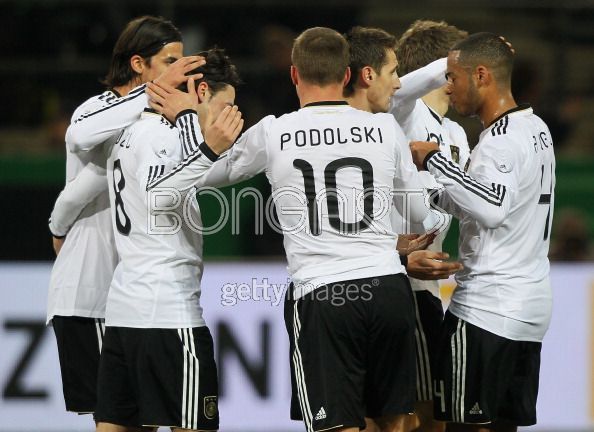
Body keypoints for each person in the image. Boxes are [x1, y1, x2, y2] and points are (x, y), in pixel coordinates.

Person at [147, 26, 430, 432]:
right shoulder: (385, 128)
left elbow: (203, 173)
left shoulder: (274, 131)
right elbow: (419, 213)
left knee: (338, 423)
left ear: (294, 74)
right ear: (346, 75)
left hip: (323, 293)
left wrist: (188, 120)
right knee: (396, 420)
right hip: (387, 287)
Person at [46, 15, 203, 418]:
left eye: (181, 61)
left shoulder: (160, 115)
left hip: (130, 294)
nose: (179, 71)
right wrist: (57, 226)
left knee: (135, 419)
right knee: (117, 418)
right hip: (92, 290)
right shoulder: (99, 109)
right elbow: (79, 147)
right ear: (138, 64)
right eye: (169, 62)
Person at [410, 33, 555, 432]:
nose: (449, 86)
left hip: (486, 310)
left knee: (461, 426)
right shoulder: (535, 127)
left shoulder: (500, 142)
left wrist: (435, 160)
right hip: (528, 309)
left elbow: (491, 208)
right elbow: (499, 205)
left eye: (453, 77)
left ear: (481, 75)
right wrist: (435, 195)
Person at [94, 48, 243, 432]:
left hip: (123, 317)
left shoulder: (129, 132)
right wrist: (206, 143)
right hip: (167, 317)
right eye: (225, 107)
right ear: (201, 91)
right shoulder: (165, 136)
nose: (227, 117)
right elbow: (161, 195)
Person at [393, 20, 469, 432]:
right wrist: (451, 62)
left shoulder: (455, 132)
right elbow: (400, 91)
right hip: (398, 280)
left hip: (429, 289)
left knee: (431, 416)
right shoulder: (403, 113)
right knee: (414, 416)